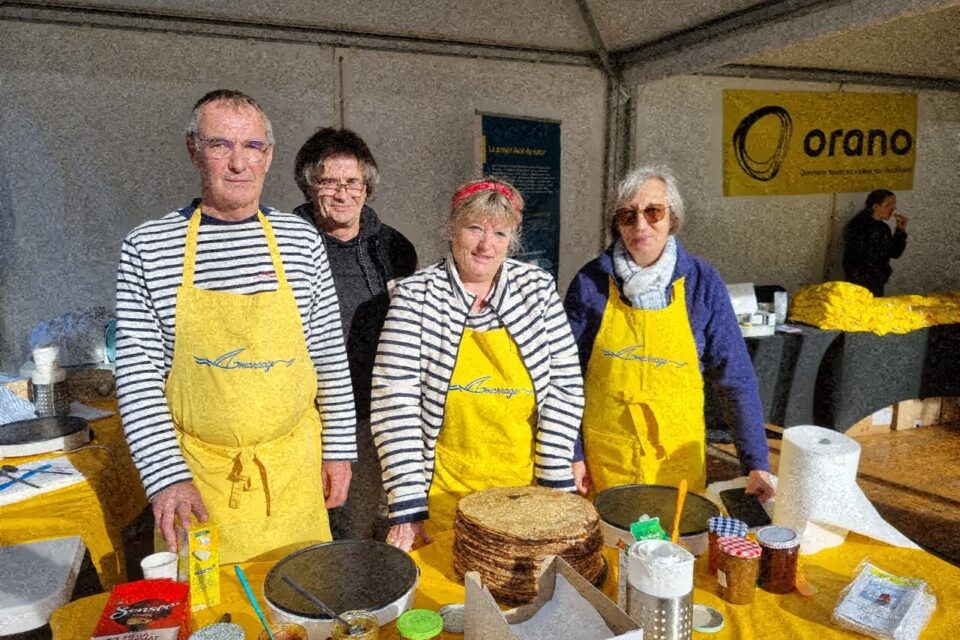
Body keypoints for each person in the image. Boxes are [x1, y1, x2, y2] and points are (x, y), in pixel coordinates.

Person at [115, 90, 356, 564]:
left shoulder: (300, 240)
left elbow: (328, 353)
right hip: (199, 477)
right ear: (194, 150)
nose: (238, 163)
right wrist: (167, 477)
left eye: (252, 147)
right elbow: (138, 378)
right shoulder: (149, 247)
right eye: (220, 145)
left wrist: (339, 450)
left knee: (303, 608)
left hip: (293, 470)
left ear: (268, 156)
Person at [372, 178, 585, 551]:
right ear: (451, 229)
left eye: (500, 234)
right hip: (444, 493)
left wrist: (555, 488)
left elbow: (564, 389)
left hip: (524, 493)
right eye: (474, 228)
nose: (487, 245)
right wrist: (407, 506)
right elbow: (395, 404)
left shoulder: (536, 290)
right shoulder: (416, 296)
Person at [564, 164, 774, 502]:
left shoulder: (703, 283)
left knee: (673, 548)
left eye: (653, 212)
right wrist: (573, 452)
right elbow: (565, 377)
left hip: (676, 461)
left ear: (672, 218)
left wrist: (756, 462)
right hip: (607, 459)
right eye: (627, 216)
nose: (640, 225)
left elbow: (736, 377)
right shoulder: (590, 283)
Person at [292, 128, 417, 540]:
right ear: (309, 186)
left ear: (367, 188)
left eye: (353, 182)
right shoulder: (283, 244)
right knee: (300, 530)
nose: (342, 193)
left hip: (368, 415)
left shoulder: (395, 248)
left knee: (354, 526)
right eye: (329, 181)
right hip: (301, 417)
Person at [842, 189, 908, 297]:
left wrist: (900, 230)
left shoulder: (857, 223)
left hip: (857, 281)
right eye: (888, 205)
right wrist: (900, 232)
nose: (893, 209)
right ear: (876, 206)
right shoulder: (878, 229)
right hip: (869, 283)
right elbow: (895, 252)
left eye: (894, 204)